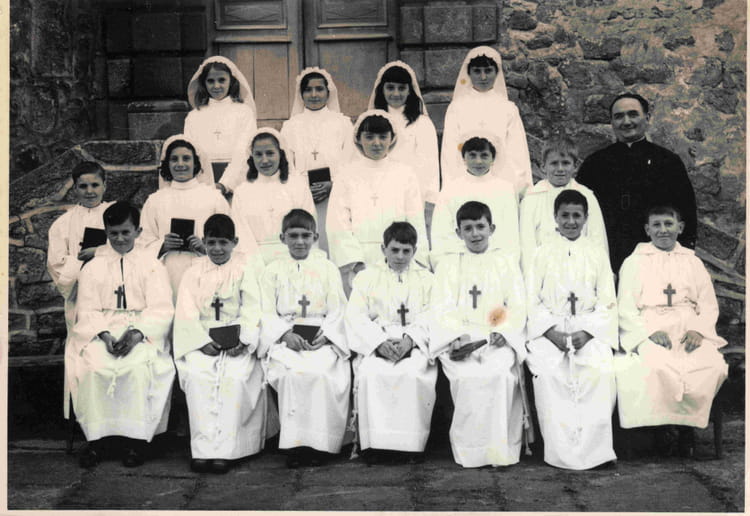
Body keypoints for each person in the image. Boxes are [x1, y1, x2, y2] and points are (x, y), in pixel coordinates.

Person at [615, 205, 727, 457]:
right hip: (650, 324)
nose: (663, 230)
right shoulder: (634, 262)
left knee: (708, 365)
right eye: (656, 225)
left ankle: (686, 428)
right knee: (655, 365)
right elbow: (625, 307)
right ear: (647, 230)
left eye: (668, 224)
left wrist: (699, 331)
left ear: (680, 227)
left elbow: (708, 304)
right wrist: (647, 332)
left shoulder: (693, 262)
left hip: (687, 325)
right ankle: (661, 429)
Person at [71, 201, 175, 468]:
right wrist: (104, 336)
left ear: (138, 232)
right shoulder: (93, 267)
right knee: (94, 366)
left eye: (125, 232)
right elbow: (87, 308)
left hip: (141, 329)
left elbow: (161, 308)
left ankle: (137, 441)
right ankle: (97, 440)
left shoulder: (152, 265)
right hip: (103, 328)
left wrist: (138, 334)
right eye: (113, 233)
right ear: (106, 232)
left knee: (137, 367)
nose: (119, 239)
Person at [429, 201, 528, 468]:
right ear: (458, 232)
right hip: (461, 339)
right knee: (468, 378)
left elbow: (517, 304)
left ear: (491, 228)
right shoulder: (449, 264)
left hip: (495, 337)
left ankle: (499, 450)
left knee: (499, 376)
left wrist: (504, 331)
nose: (475, 234)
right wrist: (456, 336)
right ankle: (471, 450)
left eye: (480, 227)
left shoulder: (505, 262)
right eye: (468, 228)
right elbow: (440, 306)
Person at [525, 190, 618, 470]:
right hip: (550, 330)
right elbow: (531, 299)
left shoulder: (597, 253)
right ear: (555, 217)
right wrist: (551, 332)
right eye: (564, 215)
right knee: (550, 374)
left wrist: (587, 332)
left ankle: (596, 451)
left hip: (589, 329)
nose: (570, 221)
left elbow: (608, 301)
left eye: (577, 215)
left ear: (586, 218)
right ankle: (560, 451)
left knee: (599, 371)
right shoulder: (541, 253)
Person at [174, 214, 273, 474]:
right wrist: (200, 342)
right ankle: (203, 450)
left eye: (223, 243)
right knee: (198, 377)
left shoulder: (244, 270)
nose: (217, 249)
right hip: (203, 341)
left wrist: (244, 340)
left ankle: (230, 450)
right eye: (211, 242)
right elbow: (185, 313)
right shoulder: (193, 272)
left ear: (235, 242)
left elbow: (252, 309)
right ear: (203, 241)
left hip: (236, 342)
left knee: (234, 378)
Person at [259, 209, 350, 468]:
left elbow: (338, 309)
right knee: (292, 374)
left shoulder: (327, 269)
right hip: (286, 337)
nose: (300, 242)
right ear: (282, 238)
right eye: (293, 236)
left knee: (321, 373)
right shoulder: (272, 271)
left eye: (305, 236)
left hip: (320, 336)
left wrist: (327, 335)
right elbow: (265, 311)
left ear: (315, 237)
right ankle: (296, 444)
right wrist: (284, 334)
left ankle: (321, 444)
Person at [345, 222, 436, 464]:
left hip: (414, 342)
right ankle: (375, 445)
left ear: (415, 251)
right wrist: (378, 342)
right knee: (371, 374)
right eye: (394, 250)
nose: (400, 256)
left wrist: (411, 340)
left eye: (406, 251)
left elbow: (433, 314)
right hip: (377, 340)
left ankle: (410, 446)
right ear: (383, 248)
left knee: (412, 375)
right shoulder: (366, 278)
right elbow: (355, 315)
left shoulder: (426, 279)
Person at [576, 93, 698, 274]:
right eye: (619, 116)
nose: (626, 122)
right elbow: (578, 211)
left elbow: (686, 212)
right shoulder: (594, 164)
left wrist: (681, 256)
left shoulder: (668, 162)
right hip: (607, 260)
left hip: (657, 260)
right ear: (612, 122)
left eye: (633, 114)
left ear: (647, 118)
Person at [327, 110, 428, 294]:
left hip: (398, 257)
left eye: (383, 137)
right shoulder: (346, 175)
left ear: (392, 138)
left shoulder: (405, 174)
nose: (376, 143)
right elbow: (337, 222)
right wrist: (355, 262)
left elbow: (416, 220)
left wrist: (411, 257)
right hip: (360, 261)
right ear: (358, 139)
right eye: (369, 137)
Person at [47, 161, 114, 419]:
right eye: (83, 186)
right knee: (85, 356)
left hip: (114, 297)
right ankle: (87, 417)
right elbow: (57, 265)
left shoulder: (116, 214)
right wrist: (81, 261)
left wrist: (100, 252)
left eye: (95, 185)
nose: (90, 191)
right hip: (81, 299)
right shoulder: (62, 224)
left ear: (105, 185)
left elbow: (132, 248)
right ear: (74, 188)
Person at [140, 135, 231, 300]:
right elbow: (143, 241)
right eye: (174, 159)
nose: (180, 164)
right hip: (167, 272)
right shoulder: (155, 201)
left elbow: (227, 237)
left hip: (204, 268)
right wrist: (162, 245)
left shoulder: (214, 198)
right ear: (167, 164)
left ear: (196, 163)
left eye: (186, 158)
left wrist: (205, 246)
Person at [441, 46, 532, 196]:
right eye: (477, 71)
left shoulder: (508, 108)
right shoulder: (457, 107)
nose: (483, 77)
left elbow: (517, 151)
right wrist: (452, 187)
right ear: (469, 73)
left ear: (497, 73)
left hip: (501, 182)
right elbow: (449, 151)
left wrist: (518, 187)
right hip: (465, 182)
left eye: (488, 71)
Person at [281, 67, 354, 253]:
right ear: (301, 94)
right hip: (302, 194)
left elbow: (350, 159)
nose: (314, 95)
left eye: (319, 89)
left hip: (335, 193)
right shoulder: (290, 126)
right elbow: (286, 163)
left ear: (328, 92)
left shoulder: (343, 123)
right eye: (308, 90)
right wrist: (302, 187)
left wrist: (333, 184)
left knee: (333, 242)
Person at [368, 61, 440, 230]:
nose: (396, 93)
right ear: (382, 89)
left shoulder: (422, 123)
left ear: (410, 90)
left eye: (401, 88)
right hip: (378, 192)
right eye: (390, 88)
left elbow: (430, 168)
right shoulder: (371, 121)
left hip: (412, 195)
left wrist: (430, 202)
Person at [431, 134, 519, 269]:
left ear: (492, 159)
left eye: (484, 156)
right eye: (472, 156)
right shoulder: (450, 190)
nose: (478, 161)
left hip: (496, 262)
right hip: (459, 262)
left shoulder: (505, 189)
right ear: (464, 158)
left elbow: (509, 232)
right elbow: (441, 232)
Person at [519, 137, 607, 273]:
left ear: (575, 166)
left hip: (580, 269)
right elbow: (527, 243)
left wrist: (600, 271)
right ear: (543, 166)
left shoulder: (587, 196)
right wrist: (531, 276)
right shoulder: (532, 198)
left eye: (565, 163)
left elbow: (597, 238)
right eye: (554, 163)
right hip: (544, 271)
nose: (560, 169)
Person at [229, 128, 316, 265]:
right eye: (258, 154)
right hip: (255, 263)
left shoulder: (298, 186)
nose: (264, 160)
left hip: (294, 260)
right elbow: (241, 234)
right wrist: (256, 267)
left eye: (270, 153)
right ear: (251, 157)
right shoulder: (242, 192)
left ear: (281, 154)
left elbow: (309, 228)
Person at [184, 56, 257, 187]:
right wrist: (206, 184)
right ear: (204, 83)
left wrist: (225, 183)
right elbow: (191, 153)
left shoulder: (244, 112)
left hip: (238, 179)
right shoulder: (193, 116)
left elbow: (243, 150)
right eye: (210, 81)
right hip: (203, 181)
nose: (216, 86)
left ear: (231, 81)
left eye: (222, 80)